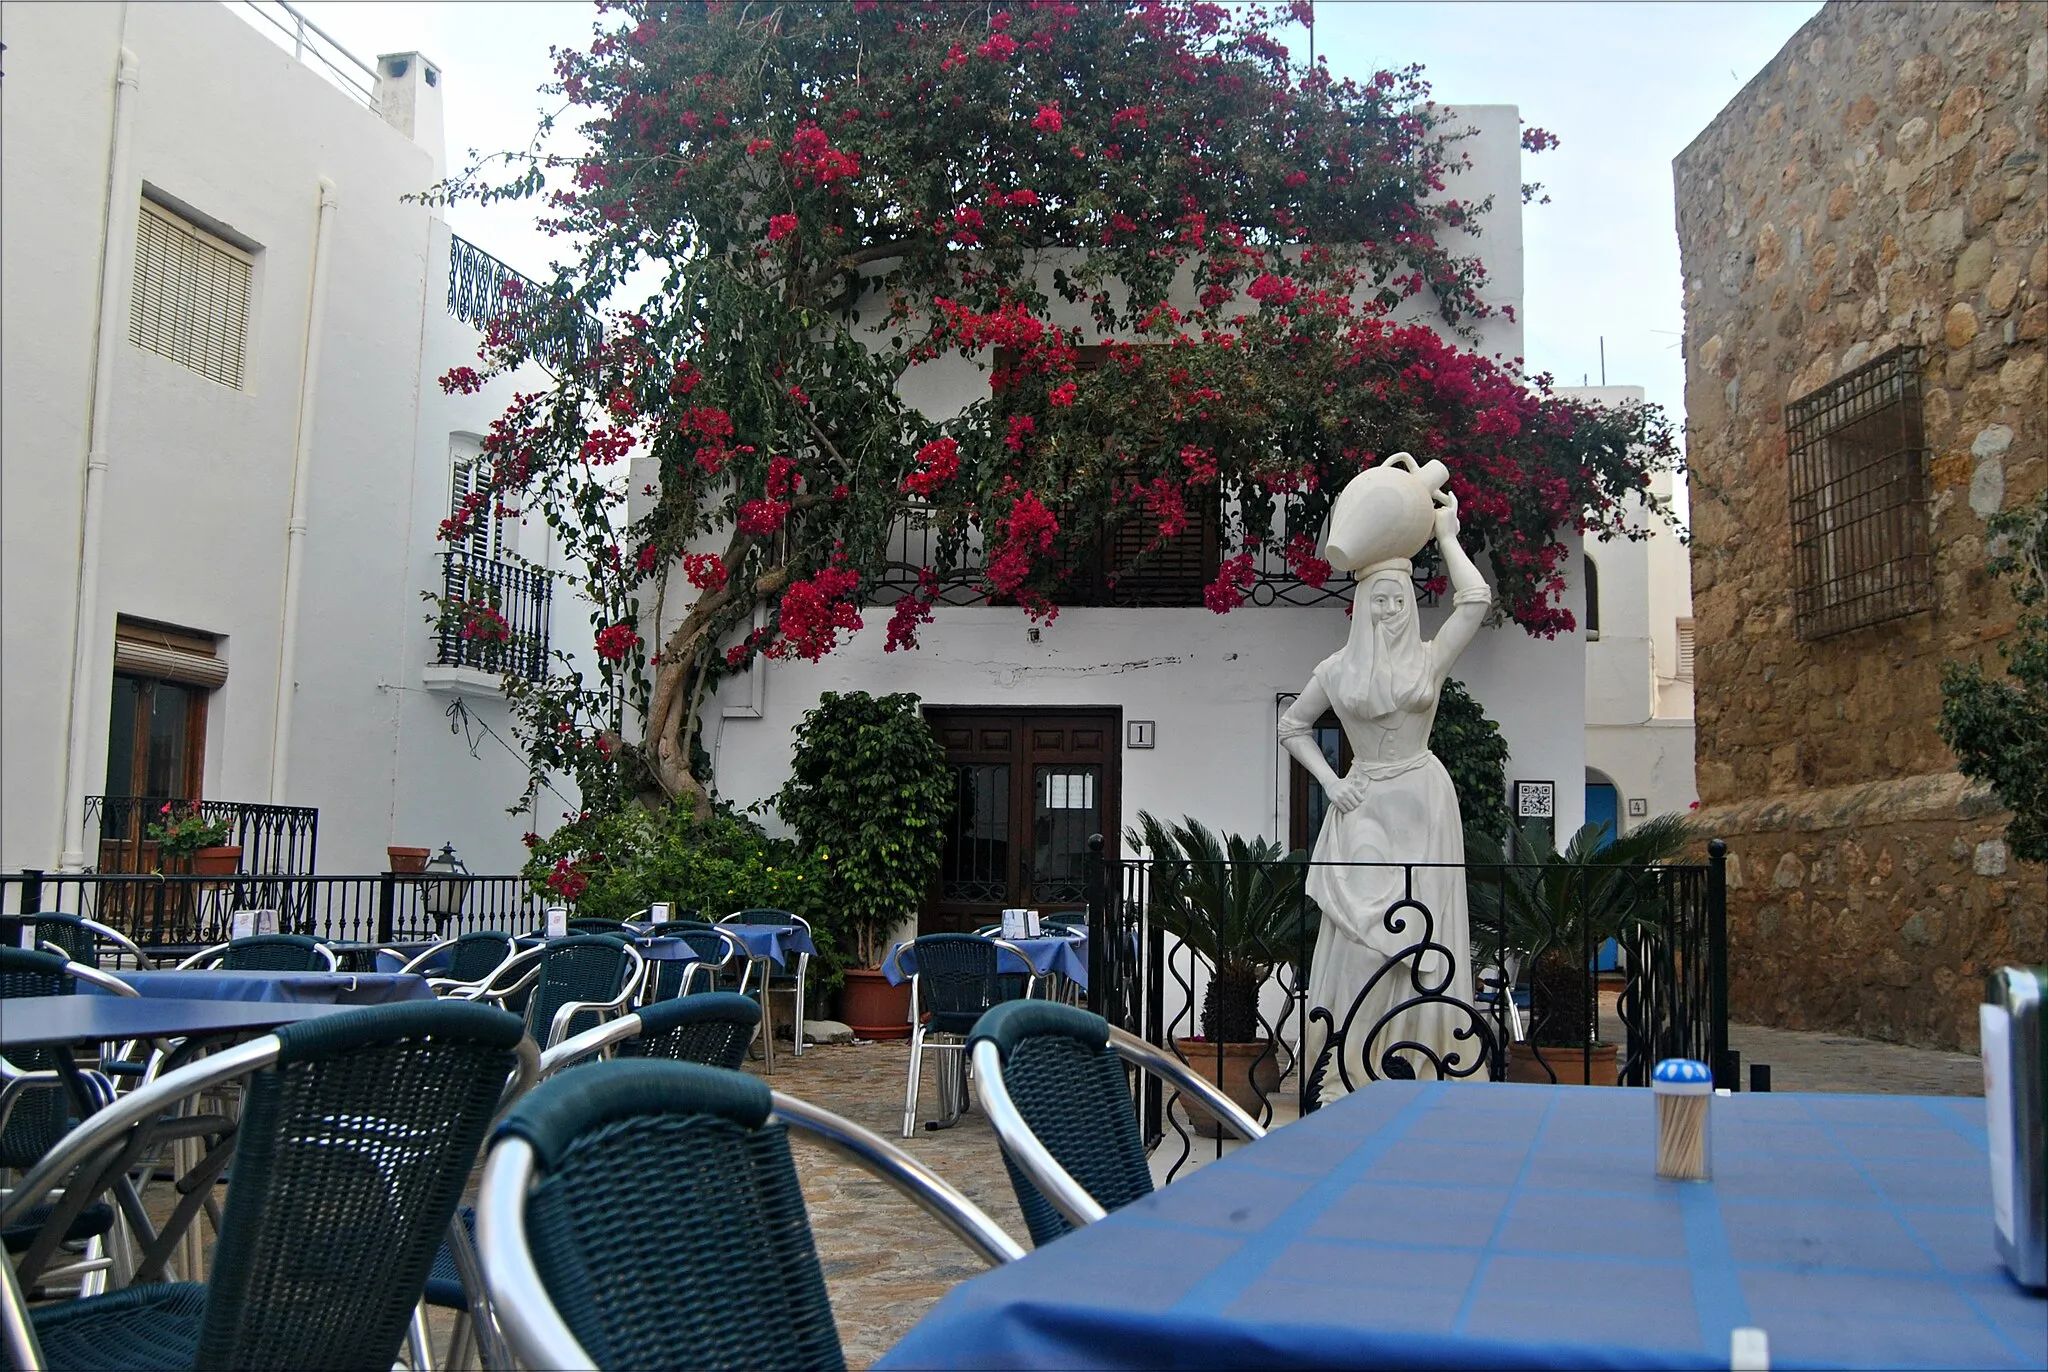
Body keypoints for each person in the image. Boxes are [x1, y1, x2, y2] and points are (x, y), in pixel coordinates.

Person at [1278, 491, 1492, 1091]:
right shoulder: (1337, 670)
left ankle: (1424, 1054)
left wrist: (1446, 534)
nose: (1392, 609)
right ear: (1363, 607)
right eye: (1380, 600)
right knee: (1360, 932)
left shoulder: (1428, 661)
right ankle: (1344, 1062)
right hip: (1365, 800)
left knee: (1425, 925)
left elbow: (1474, 599)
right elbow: (1291, 725)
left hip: (1425, 799)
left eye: (1400, 600)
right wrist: (1331, 782)